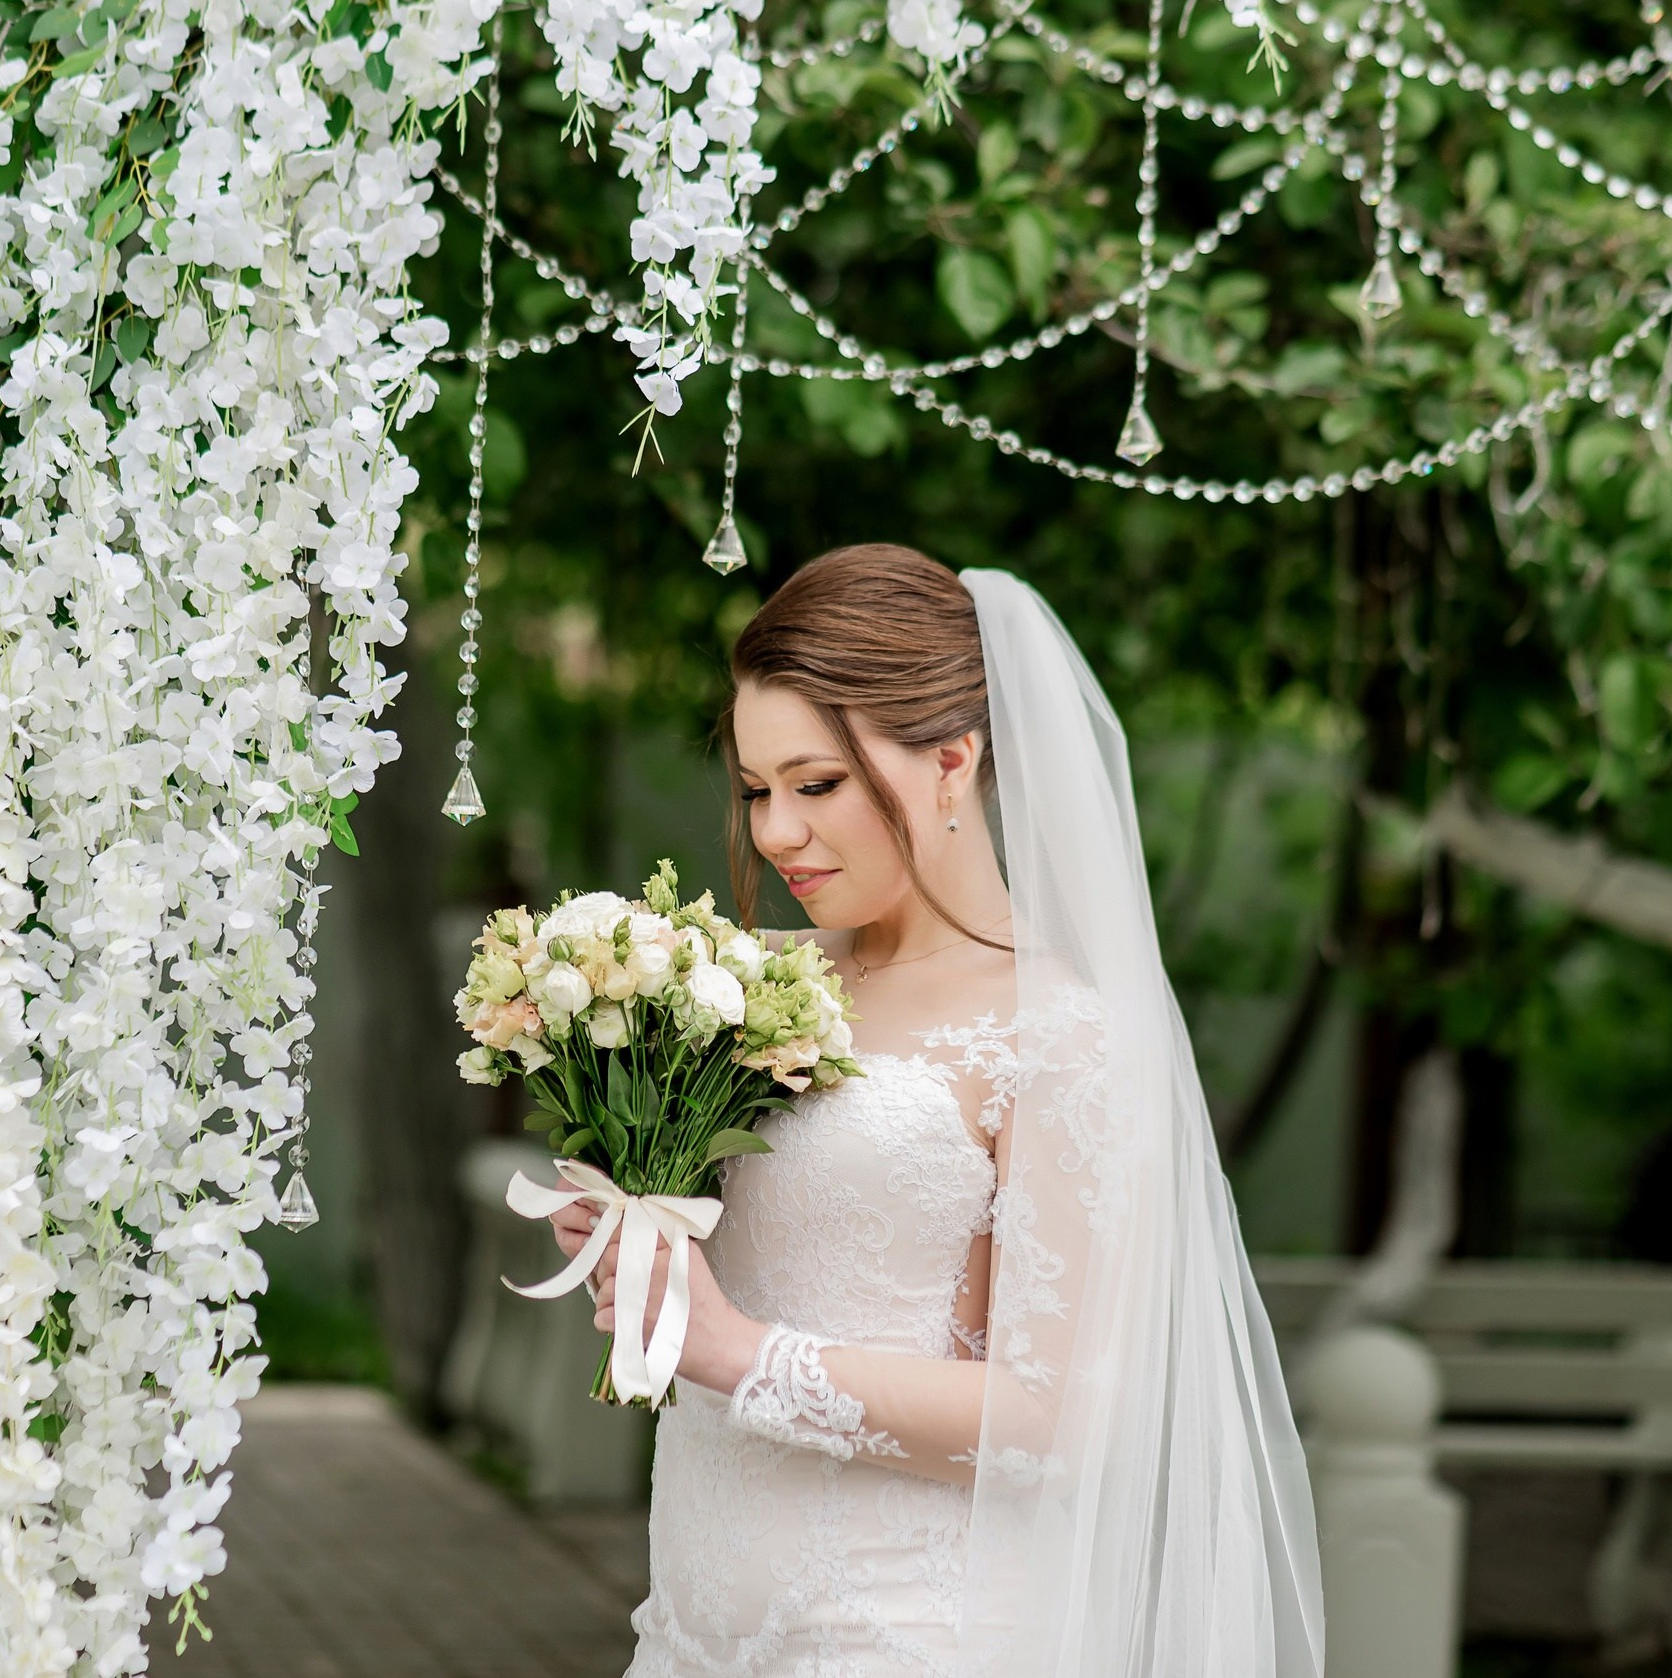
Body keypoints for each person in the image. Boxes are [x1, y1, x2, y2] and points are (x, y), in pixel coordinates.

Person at [551, 545, 1322, 1678]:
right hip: (688, 1621)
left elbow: (1057, 1416)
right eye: (757, 788)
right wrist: (638, 1240)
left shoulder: (1056, 1031)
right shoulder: (738, 982)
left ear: (952, 761)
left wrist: (738, 1353)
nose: (773, 832)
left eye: (816, 784)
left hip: (901, 1632)